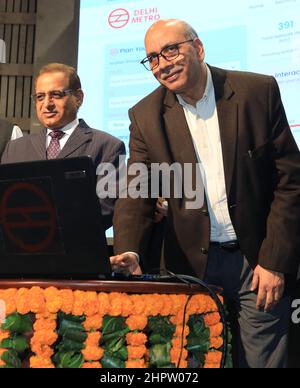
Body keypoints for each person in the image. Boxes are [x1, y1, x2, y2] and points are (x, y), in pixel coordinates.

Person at [111, 19, 300, 368]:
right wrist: (129, 248)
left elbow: (290, 181)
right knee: (188, 364)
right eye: (152, 58)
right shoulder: (145, 115)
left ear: (198, 48)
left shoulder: (257, 91)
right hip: (187, 264)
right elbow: (136, 190)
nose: (162, 64)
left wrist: (275, 259)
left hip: (255, 258)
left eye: (170, 50)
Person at [1, 63, 125, 230]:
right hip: (22, 250)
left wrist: (46, 228)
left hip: (78, 252)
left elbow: (105, 209)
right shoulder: (15, 148)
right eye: (40, 97)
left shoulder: (107, 146)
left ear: (78, 97)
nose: (47, 104)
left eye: (56, 95)